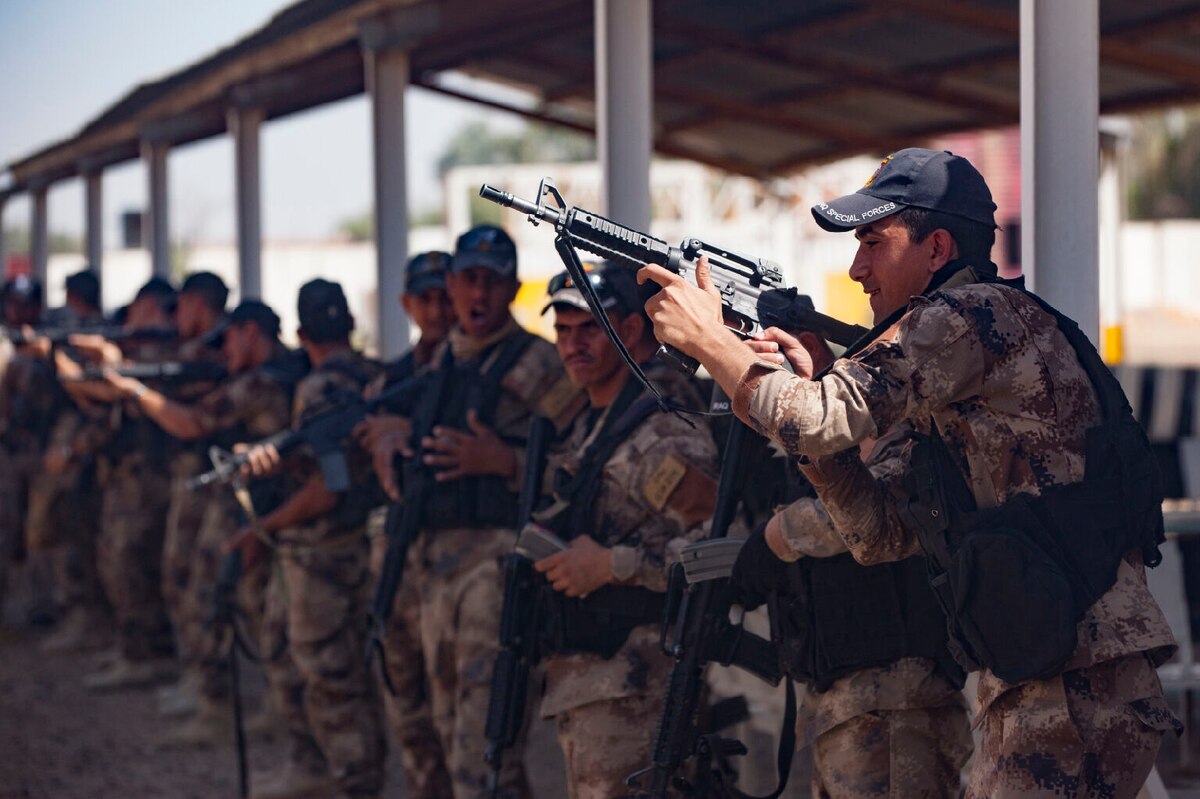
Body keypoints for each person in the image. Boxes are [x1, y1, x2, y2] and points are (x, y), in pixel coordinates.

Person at [641, 147, 1180, 798]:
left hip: (1076, 678)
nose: (857, 268)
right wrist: (811, 408)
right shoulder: (949, 373)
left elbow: (814, 417)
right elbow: (878, 531)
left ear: (938, 247)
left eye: (874, 242)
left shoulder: (972, 316)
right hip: (1043, 673)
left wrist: (713, 344)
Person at [371, 224, 582, 798]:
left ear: (513, 289)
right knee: (440, 731)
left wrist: (504, 463)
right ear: (451, 284)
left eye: (492, 282)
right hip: (430, 572)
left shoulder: (543, 364)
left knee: (484, 747)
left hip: (496, 568)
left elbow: (585, 466)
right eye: (468, 281)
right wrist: (387, 437)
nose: (478, 296)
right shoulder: (435, 363)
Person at [734, 309, 971, 799]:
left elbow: (881, 506)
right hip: (844, 695)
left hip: (899, 697)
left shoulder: (910, 426)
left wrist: (777, 538)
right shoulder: (828, 435)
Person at [531, 265, 718, 798]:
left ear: (630, 331)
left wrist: (613, 565)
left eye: (589, 328)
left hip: (640, 686)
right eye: (562, 331)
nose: (572, 345)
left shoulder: (656, 430)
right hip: (593, 682)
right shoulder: (594, 422)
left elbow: (721, 545)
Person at [104, 299, 297, 746]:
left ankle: (224, 706)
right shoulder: (269, 377)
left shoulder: (261, 384)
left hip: (254, 507)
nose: (224, 349)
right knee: (247, 604)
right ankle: (256, 703)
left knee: (218, 596)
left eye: (229, 338)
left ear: (251, 332)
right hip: (259, 504)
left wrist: (136, 392)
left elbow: (193, 422)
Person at [228, 279, 386, 799]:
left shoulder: (317, 387)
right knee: (346, 672)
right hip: (361, 549)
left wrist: (263, 526)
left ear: (299, 333)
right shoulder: (374, 375)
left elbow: (328, 490)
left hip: (324, 554)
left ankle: (350, 781)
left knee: (327, 676)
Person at [355, 251, 456, 799]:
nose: (438, 309)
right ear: (406, 305)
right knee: (406, 701)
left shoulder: (476, 371)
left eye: (445, 296)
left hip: (456, 559)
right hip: (397, 550)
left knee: (456, 705)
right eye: (426, 299)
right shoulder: (390, 379)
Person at [158, 271, 229, 718]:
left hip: (213, 485)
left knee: (201, 585)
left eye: (181, 306)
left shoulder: (217, 353)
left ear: (198, 305)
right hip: (200, 482)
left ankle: (212, 692)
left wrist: (133, 390)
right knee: (184, 579)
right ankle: (199, 680)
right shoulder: (204, 351)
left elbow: (193, 418)